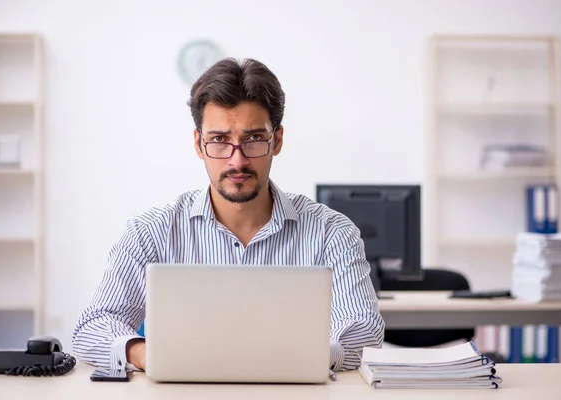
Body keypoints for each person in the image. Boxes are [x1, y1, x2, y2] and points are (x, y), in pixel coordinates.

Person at [72, 58, 385, 372]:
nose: (237, 160)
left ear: (277, 140)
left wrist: (309, 355)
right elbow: (94, 326)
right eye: (220, 140)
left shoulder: (331, 232)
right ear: (199, 143)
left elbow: (364, 329)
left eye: (253, 139)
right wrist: (145, 354)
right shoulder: (151, 232)